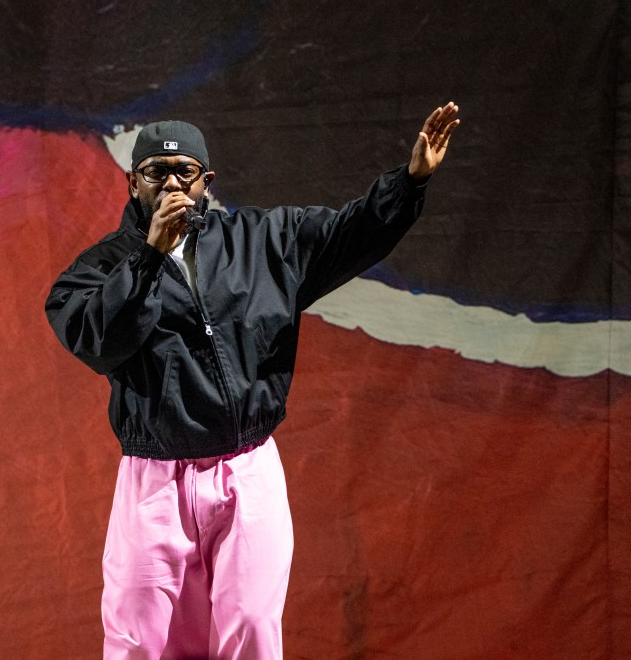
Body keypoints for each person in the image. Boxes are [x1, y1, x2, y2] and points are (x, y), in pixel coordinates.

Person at [45, 102, 460, 659]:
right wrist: (148, 259)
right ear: (132, 182)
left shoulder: (263, 241)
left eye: (184, 172)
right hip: (155, 480)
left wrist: (409, 183)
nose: (170, 183)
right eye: (155, 173)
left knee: (253, 632)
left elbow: (348, 234)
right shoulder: (97, 270)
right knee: (140, 640)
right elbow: (100, 343)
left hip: (247, 468)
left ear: (206, 181)